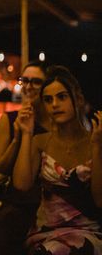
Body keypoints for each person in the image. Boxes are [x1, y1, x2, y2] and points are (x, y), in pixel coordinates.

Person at [13, 66, 102, 254]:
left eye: (62, 97)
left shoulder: (95, 140)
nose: (54, 104)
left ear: (77, 99)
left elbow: (100, 200)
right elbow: (21, 184)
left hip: (88, 232)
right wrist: (27, 134)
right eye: (48, 99)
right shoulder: (40, 141)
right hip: (47, 233)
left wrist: (97, 147)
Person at [0, 61, 50, 255]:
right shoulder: (9, 120)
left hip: (48, 203)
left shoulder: (57, 124)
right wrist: (17, 137)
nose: (29, 86)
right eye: (25, 80)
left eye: (36, 82)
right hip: (18, 203)